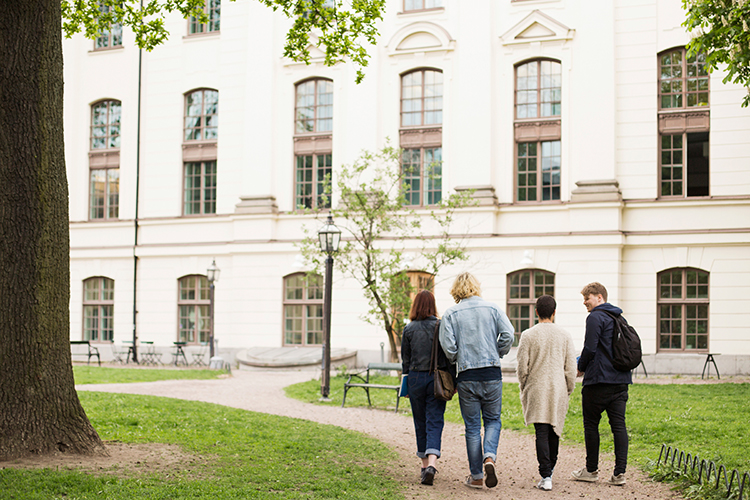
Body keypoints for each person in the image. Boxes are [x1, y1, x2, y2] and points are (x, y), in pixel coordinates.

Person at [439, 272, 514, 489]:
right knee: (493, 420)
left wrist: (459, 358)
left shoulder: (451, 314)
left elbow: (449, 347)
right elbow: (508, 334)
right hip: (491, 373)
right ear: (476, 287)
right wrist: (497, 352)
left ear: (456, 290)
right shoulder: (492, 308)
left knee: (472, 427)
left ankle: (477, 476)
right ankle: (489, 456)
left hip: (467, 375)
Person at [571, 282, 632, 486]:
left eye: (587, 298)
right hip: (621, 380)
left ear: (599, 297)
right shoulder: (618, 317)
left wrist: (580, 367)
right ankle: (619, 474)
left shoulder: (595, 317)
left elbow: (590, 348)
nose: (584, 303)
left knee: (591, 425)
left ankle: (591, 470)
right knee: (619, 426)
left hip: (598, 381)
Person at [516, 295, 577, 491]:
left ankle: (546, 475)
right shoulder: (565, 335)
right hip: (558, 388)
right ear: (554, 312)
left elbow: (521, 367)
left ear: (536, 312)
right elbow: (571, 368)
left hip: (536, 387)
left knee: (541, 431)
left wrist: (523, 385)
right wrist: (569, 387)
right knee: (554, 430)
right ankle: (549, 471)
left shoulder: (528, 335)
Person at [401, 290, 450, 486]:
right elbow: (447, 355)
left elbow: (405, 361)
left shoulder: (408, 329)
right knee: (435, 420)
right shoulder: (440, 326)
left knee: (419, 421)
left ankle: (423, 467)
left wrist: (406, 386)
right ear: (432, 305)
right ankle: (432, 463)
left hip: (414, 378)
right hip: (435, 379)